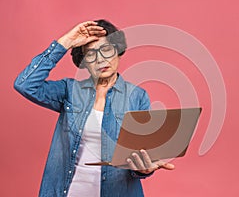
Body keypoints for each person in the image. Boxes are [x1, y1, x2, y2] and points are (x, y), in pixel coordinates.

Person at [14, 19, 174, 197]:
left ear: (118, 52)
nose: (100, 59)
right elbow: (25, 84)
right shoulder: (70, 90)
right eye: (90, 54)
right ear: (83, 62)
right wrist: (66, 41)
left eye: (106, 50)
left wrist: (144, 169)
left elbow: (140, 156)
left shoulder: (137, 97)